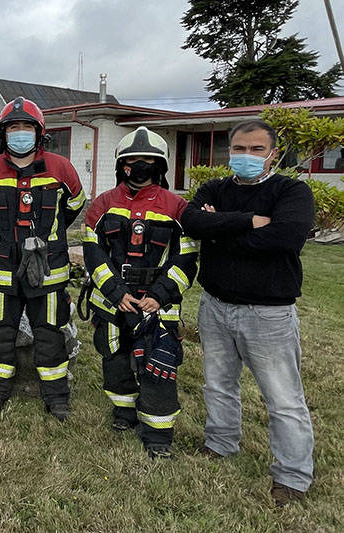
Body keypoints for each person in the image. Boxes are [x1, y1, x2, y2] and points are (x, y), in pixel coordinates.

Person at [180, 119, 315, 506]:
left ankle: (292, 476)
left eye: (257, 149)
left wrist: (219, 229)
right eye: (239, 149)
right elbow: (192, 222)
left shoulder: (291, 191)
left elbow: (286, 237)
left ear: (273, 154)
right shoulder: (215, 189)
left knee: (284, 399)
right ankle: (220, 443)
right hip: (215, 307)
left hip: (268, 314)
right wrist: (247, 223)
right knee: (217, 383)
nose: (247, 156)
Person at [81, 126, 198, 458]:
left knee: (157, 361)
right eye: (134, 160)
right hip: (112, 300)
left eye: (149, 160)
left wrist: (160, 294)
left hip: (157, 304)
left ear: (160, 165)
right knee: (114, 357)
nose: (141, 165)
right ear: (122, 165)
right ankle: (124, 413)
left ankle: (159, 435)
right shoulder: (102, 205)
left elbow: (186, 258)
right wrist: (116, 293)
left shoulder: (177, 208)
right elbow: (94, 254)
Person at [0, 96, 85, 419]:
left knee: (49, 332)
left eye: (27, 127)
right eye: (13, 128)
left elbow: (73, 207)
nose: (20, 133)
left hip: (48, 272)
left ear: (39, 132)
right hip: (1, 271)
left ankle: (56, 397)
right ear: (3, 134)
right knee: (1, 332)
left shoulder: (62, 169)